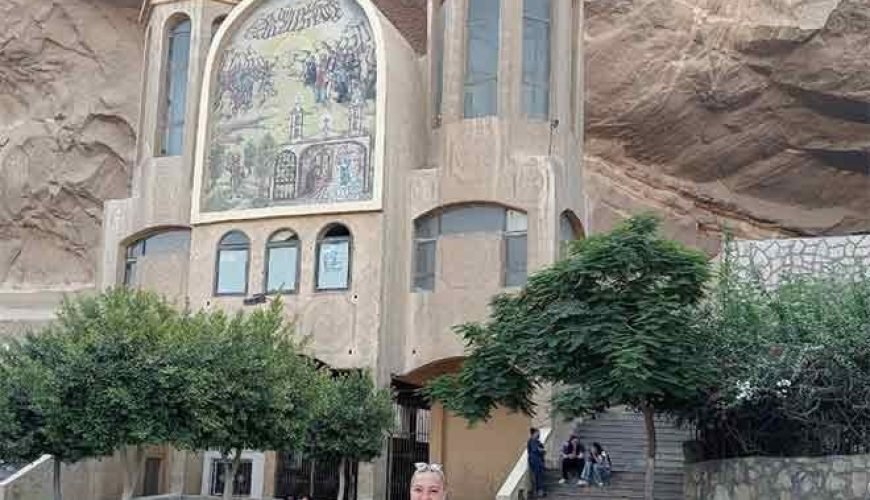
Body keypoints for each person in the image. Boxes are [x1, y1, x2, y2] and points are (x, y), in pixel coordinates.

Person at [527, 427, 546, 497]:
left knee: (540, 475)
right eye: (538, 433)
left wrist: (542, 450)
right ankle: (538, 491)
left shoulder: (537, 442)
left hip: (539, 460)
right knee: (537, 476)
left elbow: (542, 450)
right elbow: (536, 450)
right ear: (534, 433)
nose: (539, 434)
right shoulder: (532, 441)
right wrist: (541, 450)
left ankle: (540, 490)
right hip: (535, 461)